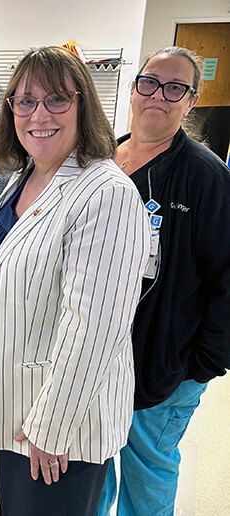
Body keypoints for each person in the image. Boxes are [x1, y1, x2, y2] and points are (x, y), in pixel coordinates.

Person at [0, 46, 150, 516]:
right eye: (24, 101)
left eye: (56, 99)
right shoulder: (27, 176)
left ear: (84, 106)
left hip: (57, 432)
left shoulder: (106, 194)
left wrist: (52, 428)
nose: (38, 114)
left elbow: (95, 328)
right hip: (15, 410)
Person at [96, 46, 230, 516]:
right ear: (134, 89)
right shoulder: (104, 159)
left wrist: (204, 365)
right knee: (93, 471)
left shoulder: (205, 176)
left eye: (176, 87)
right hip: (99, 357)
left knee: (146, 474)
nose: (160, 95)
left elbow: (225, 278)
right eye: (150, 82)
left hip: (165, 365)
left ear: (191, 101)